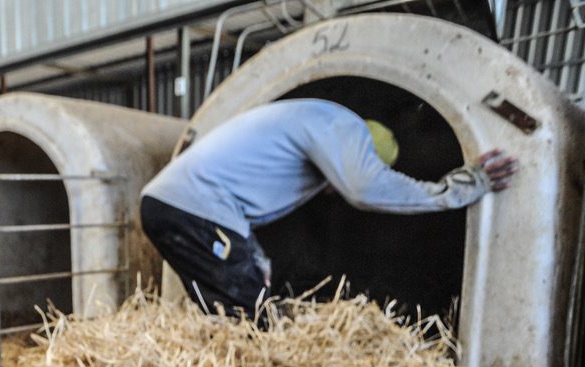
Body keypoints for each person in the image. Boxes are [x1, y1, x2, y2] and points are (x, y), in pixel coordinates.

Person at [139, 98, 518, 321]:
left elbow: (240, 202)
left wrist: (255, 257)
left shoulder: (303, 120)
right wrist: (459, 188)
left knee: (222, 313)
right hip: (192, 207)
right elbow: (366, 189)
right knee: (252, 316)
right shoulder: (344, 126)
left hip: (166, 205)